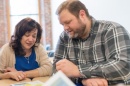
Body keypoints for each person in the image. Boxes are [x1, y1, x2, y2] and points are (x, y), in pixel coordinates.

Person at [53, 0, 130, 86]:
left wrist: (77, 70)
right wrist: (83, 79)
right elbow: (56, 71)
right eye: (62, 24)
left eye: (67, 22)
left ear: (82, 15)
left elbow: (123, 66)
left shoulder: (112, 29)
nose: (65, 28)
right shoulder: (64, 37)